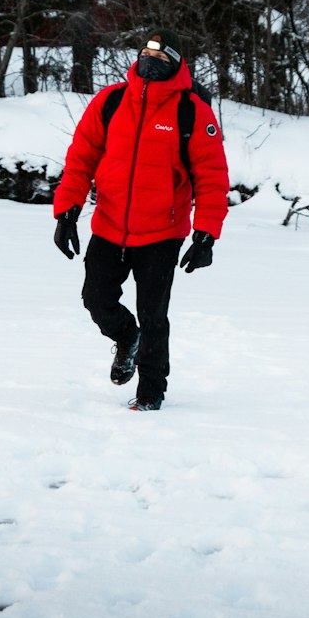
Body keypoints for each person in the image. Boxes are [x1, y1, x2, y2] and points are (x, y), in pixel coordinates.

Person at [52, 28, 230, 411]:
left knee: (154, 316)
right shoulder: (112, 101)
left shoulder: (192, 111)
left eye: (162, 58)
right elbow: (81, 158)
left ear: (177, 64)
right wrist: (67, 212)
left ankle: (151, 391)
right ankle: (125, 336)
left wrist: (206, 236)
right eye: (147, 56)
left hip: (162, 232)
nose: (152, 64)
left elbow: (212, 176)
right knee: (96, 299)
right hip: (110, 224)